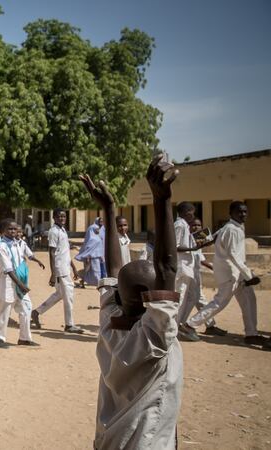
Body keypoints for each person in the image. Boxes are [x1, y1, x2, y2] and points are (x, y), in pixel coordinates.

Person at [82, 154, 183, 449]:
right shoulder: (155, 336)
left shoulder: (109, 322)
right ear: (154, 301)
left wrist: (109, 209)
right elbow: (166, 267)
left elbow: (114, 272)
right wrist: (161, 199)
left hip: (108, 441)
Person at [186, 201, 268, 349]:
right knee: (220, 301)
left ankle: (251, 334)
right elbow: (233, 254)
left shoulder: (232, 227)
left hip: (236, 272)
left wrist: (200, 239)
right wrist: (250, 275)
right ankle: (190, 324)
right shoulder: (231, 229)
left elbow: (210, 238)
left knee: (249, 299)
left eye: (245, 211)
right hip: (231, 273)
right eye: (239, 212)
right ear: (231, 213)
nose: (243, 214)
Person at [31, 209, 83, 334]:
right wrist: (53, 273)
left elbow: (64, 252)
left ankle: (36, 312)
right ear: (54, 217)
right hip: (60, 269)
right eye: (59, 216)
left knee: (59, 295)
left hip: (66, 267)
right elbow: (52, 252)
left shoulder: (62, 230)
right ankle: (69, 325)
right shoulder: (54, 231)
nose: (62, 218)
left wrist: (74, 268)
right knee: (68, 296)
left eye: (64, 216)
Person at [0, 219, 35, 347]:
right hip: (7, 283)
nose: (13, 231)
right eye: (10, 229)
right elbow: (8, 269)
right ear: (3, 231)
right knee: (4, 310)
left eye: (15, 229)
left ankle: (24, 338)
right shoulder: (1, 246)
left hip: (19, 282)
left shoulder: (18, 244)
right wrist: (20, 284)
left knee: (26, 307)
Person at [74, 217, 106, 287]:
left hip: (98, 257)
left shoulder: (100, 234)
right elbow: (88, 247)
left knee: (97, 272)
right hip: (91, 258)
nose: (98, 231)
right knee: (93, 272)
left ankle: (83, 280)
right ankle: (98, 285)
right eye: (96, 230)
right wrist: (88, 257)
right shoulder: (91, 238)